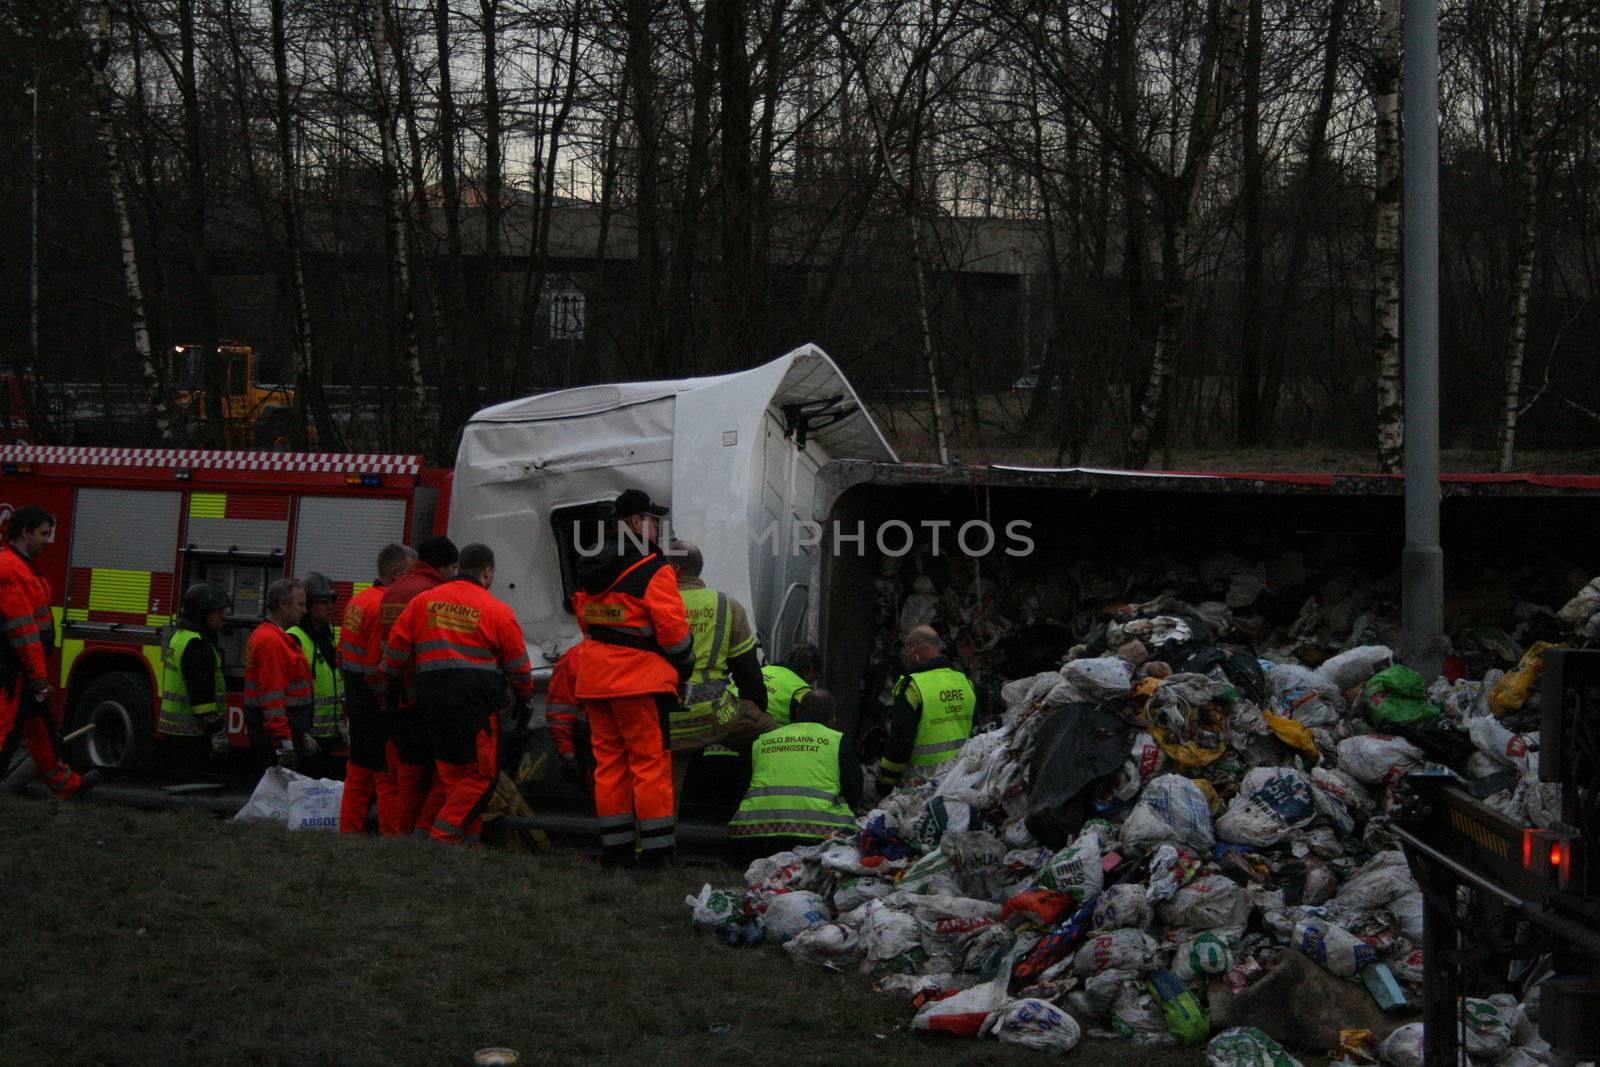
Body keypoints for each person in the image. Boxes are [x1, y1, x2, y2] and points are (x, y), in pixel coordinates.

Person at [571, 489, 693, 867]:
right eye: (654, 521)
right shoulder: (653, 568)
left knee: (608, 764)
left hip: (594, 677)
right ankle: (657, 854)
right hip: (639, 680)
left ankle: (617, 850)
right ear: (639, 522)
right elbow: (673, 633)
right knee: (650, 763)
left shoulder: (587, 564)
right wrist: (685, 665)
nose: (657, 528)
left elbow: (584, 620)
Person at [383, 543, 536, 845]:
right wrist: (524, 695)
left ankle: (465, 850)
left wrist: (392, 688)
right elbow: (518, 665)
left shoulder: (424, 602)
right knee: (481, 778)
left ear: (459, 567)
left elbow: (395, 652)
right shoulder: (497, 610)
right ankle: (440, 841)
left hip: (430, 702)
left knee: (454, 778)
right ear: (487, 572)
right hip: (474, 706)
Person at [666, 539, 771, 813]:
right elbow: (749, 676)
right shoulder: (727, 606)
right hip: (716, 716)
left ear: (675, 570)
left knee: (661, 802)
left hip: (665, 723)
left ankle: (653, 850)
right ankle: (757, 812)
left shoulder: (649, 606)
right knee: (773, 736)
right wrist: (754, 713)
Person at [0, 505, 96, 798]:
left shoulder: (22, 567)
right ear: (25, 533)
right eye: (43, 534)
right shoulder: (10, 569)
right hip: (13, 669)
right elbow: (23, 630)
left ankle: (66, 785)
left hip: (22, 669)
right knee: (6, 733)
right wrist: (38, 675)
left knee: (41, 730)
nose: (48, 540)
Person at [372, 536, 458, 835]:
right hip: (426, 697)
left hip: (398, 697)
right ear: (444, 567)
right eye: (453, 567)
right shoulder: (434, 593)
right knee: (441, 775)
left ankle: (406, 835)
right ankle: (424, 834)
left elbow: (390, 648)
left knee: (408, 776)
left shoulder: (392, 592)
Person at [726, 689, 862, 869]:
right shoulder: (837, 741)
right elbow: (854, 793)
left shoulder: (763, 740)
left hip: (753, 839)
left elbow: (742, 792)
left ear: (797, 713)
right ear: (832, 721)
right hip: (817, 839)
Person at [337, 543, 414, 833]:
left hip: (357, 700)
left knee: (357, 774)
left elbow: (347, 655)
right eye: (409, 573)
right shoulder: (384, 606)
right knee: (386, 777)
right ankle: (392, 839)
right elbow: (377, 666)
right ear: (396, 573)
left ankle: (348, 833)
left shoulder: (358, 601)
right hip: (375, 704)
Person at [876, 624, 976, 795]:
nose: (905, 655)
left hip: (924, 783)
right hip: (961, 777)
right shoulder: (964, 682)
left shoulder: (911, 687)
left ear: (915, 650)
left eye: (906, 650)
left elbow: (900, 743)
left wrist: (885, 782)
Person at [157, 581, 231, 766]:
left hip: (175, 731)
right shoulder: (198, 644)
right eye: (218, 610)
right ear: (202, 613)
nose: (223, 616)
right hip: (194, 733)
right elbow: (201, 697)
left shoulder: (180, 636)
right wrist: (216, 730)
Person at [243, 578, 313, 769]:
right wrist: (284, 744)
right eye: (300, 605)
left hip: (276, 733)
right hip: (275, 738)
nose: (304, 611)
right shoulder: (271, 642)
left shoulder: (269, 637)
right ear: (283, 604)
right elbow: (272, 699)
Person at [288, 572, 342, 778]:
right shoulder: (295, 637)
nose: (330, 607)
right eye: (322, 602)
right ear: (308, 605)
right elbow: (290, 691)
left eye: (331, 601)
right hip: (307, 734)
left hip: (327, 733)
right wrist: (300, 732)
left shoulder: (327, 638)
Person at [546, 642, 591, 792]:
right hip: (597, 741)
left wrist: (566, 753)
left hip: (592, 740)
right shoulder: (641, 655)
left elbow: (560, 710)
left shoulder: (575, 656)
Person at [762, 642, 824, 727]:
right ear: (810, 668)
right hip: (765, 737)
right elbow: (810, 732)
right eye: (814, 678)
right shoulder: (803, 693)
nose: (812, 683)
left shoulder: (761, 670)